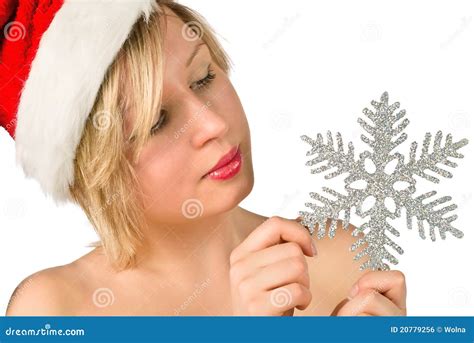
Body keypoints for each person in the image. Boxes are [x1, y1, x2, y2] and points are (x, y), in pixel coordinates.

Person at [1, 0, 406, 316]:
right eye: (157, 121)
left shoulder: (341, 256)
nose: (212, 123)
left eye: (204, 78)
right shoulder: (55, 309)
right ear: (94, 171)